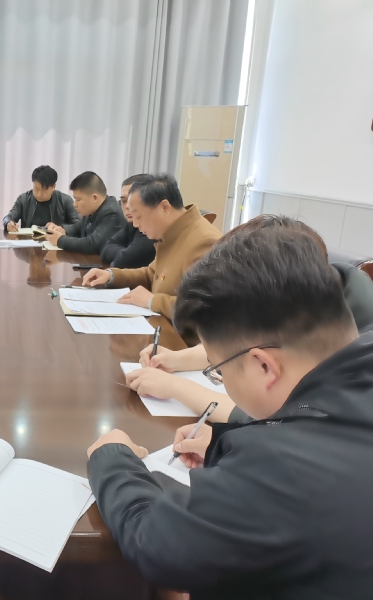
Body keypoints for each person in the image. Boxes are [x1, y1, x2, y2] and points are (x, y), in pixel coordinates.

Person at [87, 225, 373, 599]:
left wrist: (112, 457)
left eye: (217, 369)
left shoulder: (284, 472)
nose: (218, 376)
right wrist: (225, 439)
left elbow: (156, 543)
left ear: (265, 366)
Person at [126, 214, 373, 424]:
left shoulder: (354, 339)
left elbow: (284, 417)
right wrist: (176, 359)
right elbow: (249, 341)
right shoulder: (311, 291)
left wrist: (174, 387)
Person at [82, 174, 220, 343]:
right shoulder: (173, 233)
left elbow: (201, 308)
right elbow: (152, 274)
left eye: (138, 216)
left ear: (164, 207)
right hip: (161, 328)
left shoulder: (203, 241)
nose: (135, 224)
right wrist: (111, 276)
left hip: (183, 344)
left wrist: (153, 301)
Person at [44, 171, 124, 255]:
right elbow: (78, 228)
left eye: (78, 200)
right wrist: (62, 230)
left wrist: (60, 240)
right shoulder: (92, 209)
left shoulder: (111, 213)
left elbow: (92, 244)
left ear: (94, 198)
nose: (74, 204)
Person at [100, 174, 156, 268]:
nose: (127, 206)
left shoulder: (152, 229)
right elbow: (105, 248)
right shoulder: (131, 224)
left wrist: (125, 255)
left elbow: (122, 262)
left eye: (132, 200)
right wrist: (126, 253)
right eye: (124, 200)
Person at [2, 165, 79, 232]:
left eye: (44, 191)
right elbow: (9, 217)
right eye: (36, 189)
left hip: (55, 242)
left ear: (53, 187)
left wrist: (61, 228)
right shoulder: (23, 199)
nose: (39, 194)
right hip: (28, 242)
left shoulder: (65, 200)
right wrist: (8, 223)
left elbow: (78, 225)